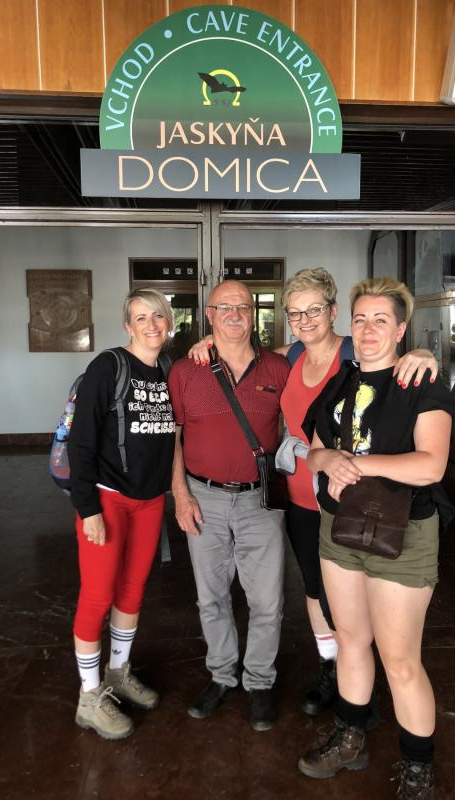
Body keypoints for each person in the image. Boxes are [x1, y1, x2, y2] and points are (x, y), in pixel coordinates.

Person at [189, 268, 437, 717]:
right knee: (315, 588)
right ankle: (331, 668)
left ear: (333, 311)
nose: (304, 320)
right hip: (301, 498)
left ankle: (363, 679)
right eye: (295, 312)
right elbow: (241, 351)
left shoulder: (355, 352)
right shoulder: (290, 357)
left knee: (360, 602)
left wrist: (422, 353)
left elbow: (395, 363)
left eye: (314, 310)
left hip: (357, 501)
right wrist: (211, 340)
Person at [297, 277, 455, 799]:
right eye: (361, 320)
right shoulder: (340, 381)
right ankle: (351, 736)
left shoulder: (422, 383)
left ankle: (417, 766)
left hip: (403, 532)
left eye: (381, 320)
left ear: (401, 329)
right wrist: (328, 459)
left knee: (400, 658)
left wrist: (356, 465)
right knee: (350, 639)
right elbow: (314, 450)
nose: (368, 330)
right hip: (339, 528)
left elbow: (431, 465)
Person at [168, 280, 290, 731]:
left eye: (243, 306)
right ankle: (222, 676)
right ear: (209, 314)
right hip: (204, 498)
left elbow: (325, 356)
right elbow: (174, 436)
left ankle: (259, 681)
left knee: (267, 601)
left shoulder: (278, 367)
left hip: (261, 500)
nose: (235, 314)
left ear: (253, 313)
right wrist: (180, 494)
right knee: (212, 598)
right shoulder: (186, 370)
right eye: (225, 307)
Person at [68, 288, 176, 740]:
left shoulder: (169, 370)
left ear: (169, 323)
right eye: (140, 317)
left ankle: (117, 671)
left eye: (158, 316)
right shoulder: (108, 367)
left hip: (150, 501)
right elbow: (81, 441)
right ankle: (89, 696)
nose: (151, 324)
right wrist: (88, 508)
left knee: (132, 591)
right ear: (128, 326)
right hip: (108, 498)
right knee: (97, 596)